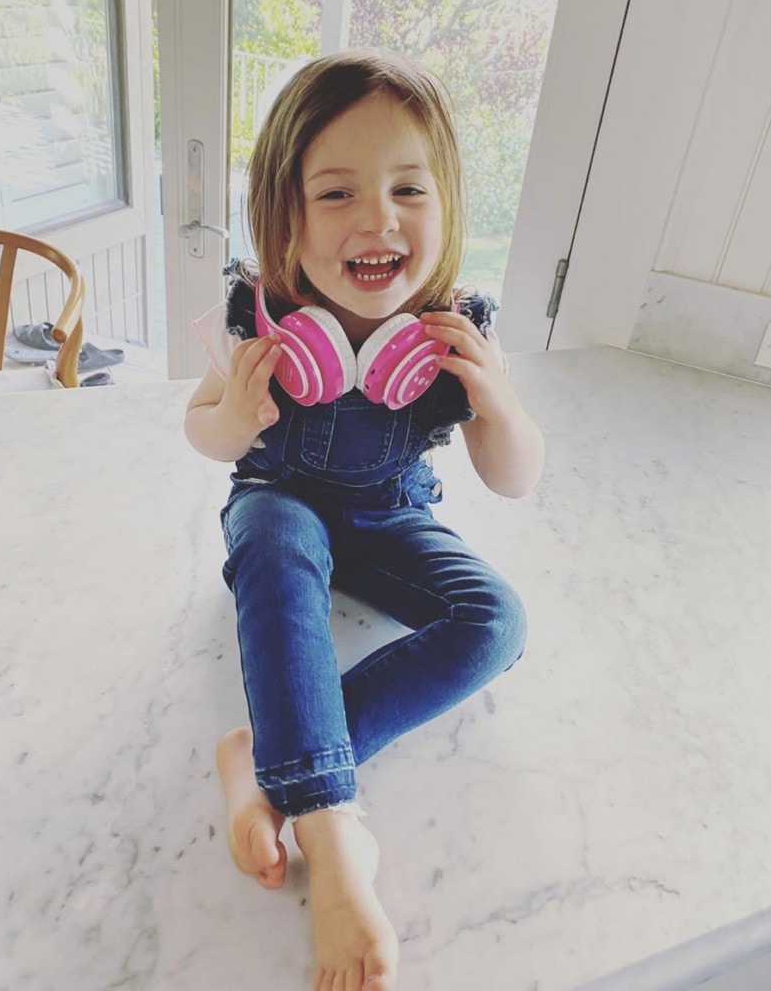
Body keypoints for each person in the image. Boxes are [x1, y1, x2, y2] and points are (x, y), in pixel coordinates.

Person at [184, 48, 545, 991]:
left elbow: (512, 478)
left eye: (407, 190)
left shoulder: (449, 333)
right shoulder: (258, 319)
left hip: (391, 518)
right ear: (283, 214)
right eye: (336, 193)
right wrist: (231, 421)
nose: (378, 218)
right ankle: (333, 832)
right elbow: (201, 426)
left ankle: (265, 758)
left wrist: (497, 405)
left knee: (497, 623)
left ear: (445, 204)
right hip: (280, 503)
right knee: (269, 536)